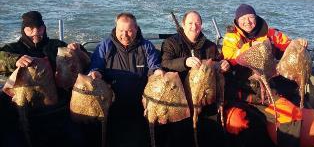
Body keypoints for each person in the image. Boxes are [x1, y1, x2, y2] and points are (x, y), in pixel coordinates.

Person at [221, 4, 314, 147]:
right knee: (237, 121)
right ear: (237, 21)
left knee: (291, 114)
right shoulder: (231, 38)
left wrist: (297, 43)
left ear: (256, 18)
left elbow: (288, 44)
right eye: (243, 18)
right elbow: (229, 56)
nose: (247, 21)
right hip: (244, 90)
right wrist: (253, 47)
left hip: (268, 88)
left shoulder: (270, 33)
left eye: (251, 17)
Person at [0, 11, 87, 147]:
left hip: (57, 107)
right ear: (24, 30)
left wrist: (77, 49)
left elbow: (83, 59)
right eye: (30, 29)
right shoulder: (14, 48)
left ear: (44, 28)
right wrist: (15, 60)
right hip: (24, 108)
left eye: (39, 28)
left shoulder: (55, 45)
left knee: (77, 139)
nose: (36, 32)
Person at [89, 12, 163, 147]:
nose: (125, 35)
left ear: (136, 28)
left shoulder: (146, 46)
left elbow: (154, 67)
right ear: (115, 29)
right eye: (121, 31)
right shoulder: (105, 46)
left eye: (129, 31)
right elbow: (96, 67)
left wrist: (157, 72)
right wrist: (95, 73)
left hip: (141, 104)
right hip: (112, 104)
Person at [160, 10, 229, 147]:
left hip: (205, 97)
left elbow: (217, 64)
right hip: (181, 98)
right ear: (183, 24)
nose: (194, 26)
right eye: (190, 23)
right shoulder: (170, 43)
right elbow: (165, 64)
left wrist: (224, 65)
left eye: (197, 23)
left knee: (212, 133)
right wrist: (184, 62)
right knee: (180, 135)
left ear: (202, 25)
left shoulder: (210, 46)